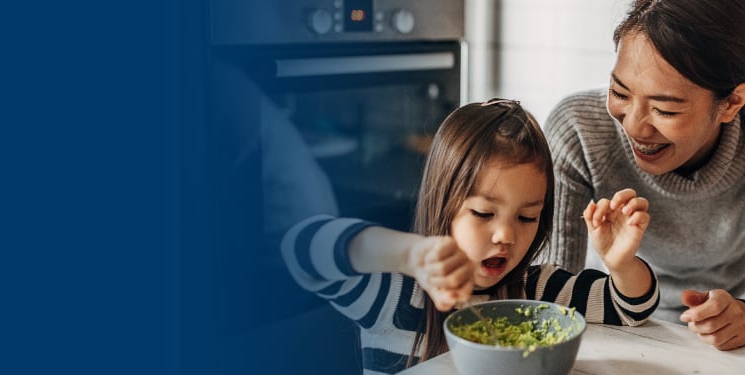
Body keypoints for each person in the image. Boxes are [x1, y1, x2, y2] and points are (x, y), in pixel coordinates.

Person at [280, 99, 661, 374]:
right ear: (444, 202)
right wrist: (407, 254)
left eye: (528, 217)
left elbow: (629, 307)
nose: (505, 235)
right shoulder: (393, 294)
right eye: (483, 213)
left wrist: (621, 263)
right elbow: (301, 250)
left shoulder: (537, 292)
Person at [539, 0, 745, 351]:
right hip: (608, 320)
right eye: (619, 93)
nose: (635, 126)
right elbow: (549, 292)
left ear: (732, 102)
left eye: (664, 109)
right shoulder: (578, 131)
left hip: (716, 348)